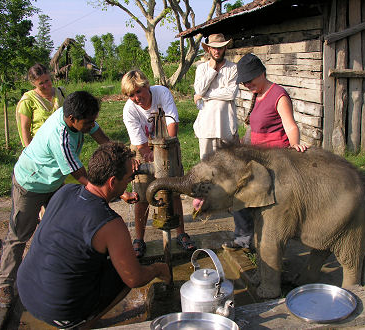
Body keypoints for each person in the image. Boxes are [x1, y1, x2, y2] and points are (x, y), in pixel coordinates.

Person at [0, 91, 136, 308]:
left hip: (53, 181)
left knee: (60, 227)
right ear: (71, 119)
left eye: (93, 120)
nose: (92, 126)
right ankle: (5, 284)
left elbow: (103, 140)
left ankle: (56, 272)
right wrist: (118, 191)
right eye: (88, 123)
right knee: (19, 234)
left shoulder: (78, 116)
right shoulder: (60, 137)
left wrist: (124, 159)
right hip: (30, 183)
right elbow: (81, 176)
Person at [17, 142, 171, 329]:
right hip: (60, 311)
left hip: (26, 290)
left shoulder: (65, 191)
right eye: (128, 179)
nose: (130, 183)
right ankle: (83, 324)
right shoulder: (110, 224)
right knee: (125, 273)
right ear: (113, 182)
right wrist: (158, 269)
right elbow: (134, 278)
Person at [223, 53, 308, 251]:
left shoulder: (278, 95)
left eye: (249, 80)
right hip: (257, 157)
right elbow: (254, 128)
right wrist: (243, 146)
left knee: (252, 198)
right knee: (237, 192)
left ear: (261, 73)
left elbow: (290, 126)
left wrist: (295, 146)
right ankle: (245, 238)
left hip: (275, 159)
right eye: (243, 82)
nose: (246, 85)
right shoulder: (257, 95)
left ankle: (260, 241)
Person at [121, 70, 196, 258]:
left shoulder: (162, 93)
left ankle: (181, 233)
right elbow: (142, 147)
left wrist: (166, 152)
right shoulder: (129, 110)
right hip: (143, 148)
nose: (136, 98)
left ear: (147, 86)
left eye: (139, 91)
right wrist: (152, 157)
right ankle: (139, 238)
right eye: (131, 95)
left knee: (174, 191)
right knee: (141, 194)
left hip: (168, 142)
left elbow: (173, 123)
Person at [193, 33, 238, 160]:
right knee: (206, 164)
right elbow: (199, 89)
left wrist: (205, 95)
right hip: (207, 124)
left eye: (220, 48)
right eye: (214, 48)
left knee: (229, 163)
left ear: (225, 48)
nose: (217, 51)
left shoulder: (232, 68)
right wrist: (212, 70)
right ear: (208, 49)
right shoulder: (202, 69)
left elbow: (231, 93)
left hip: (226, 124)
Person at [16, 63, 66, 147]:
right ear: (33, 83)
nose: (46, 86)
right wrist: (29, 151)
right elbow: (25, 128)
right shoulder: (28, 100)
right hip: (41, 147)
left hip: (63, 143)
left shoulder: (61, 93)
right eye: (41, 83)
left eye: (47, 80)